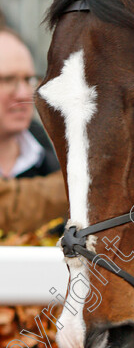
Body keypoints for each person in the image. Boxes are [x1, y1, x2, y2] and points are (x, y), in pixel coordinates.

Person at [0, 26, 67, 234]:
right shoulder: (66, 169)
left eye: (28, 80)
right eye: (7, 80)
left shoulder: (56, 158)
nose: (23, 94)